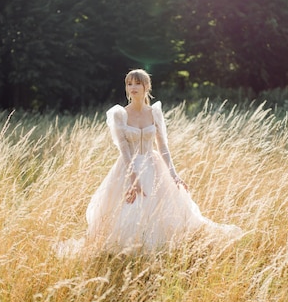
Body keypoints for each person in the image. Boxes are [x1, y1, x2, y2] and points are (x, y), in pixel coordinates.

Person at [86, 69, 242, 250]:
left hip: (153, 164)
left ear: (146, 86)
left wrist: (174, 175)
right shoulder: (120, 115)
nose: (133, 87)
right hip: (129, 167)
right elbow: (124, 150)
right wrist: (133, 179)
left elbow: (163, 147)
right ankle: (129, 250)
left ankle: (163, 248)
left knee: (165, 209)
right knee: (131, 210)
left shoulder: (154, 112)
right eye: (129, 84)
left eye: (137, 83)